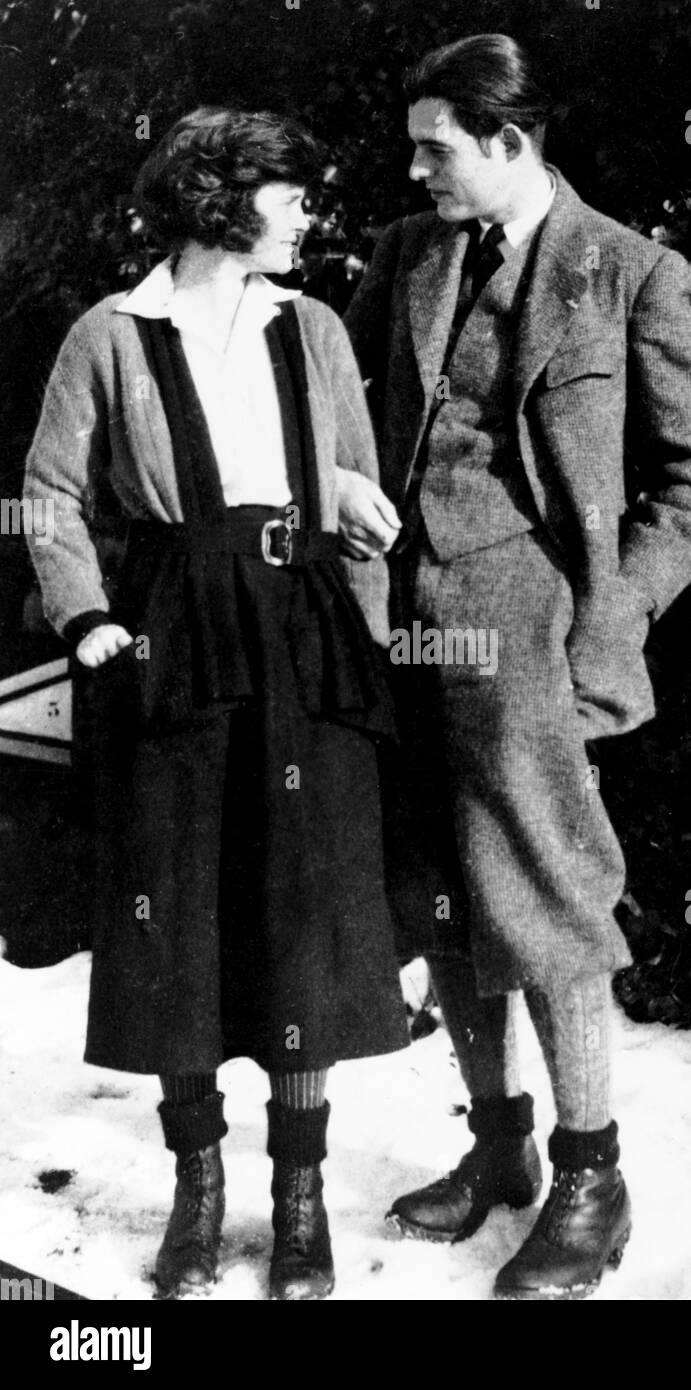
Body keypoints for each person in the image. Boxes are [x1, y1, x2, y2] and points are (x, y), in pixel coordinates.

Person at [343, 34, 691, 1299]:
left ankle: (592, 1175)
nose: (414, 169)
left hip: (528, 631)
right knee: (439, 895)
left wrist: (606, 610)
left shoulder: (627, 272)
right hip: (393, 622)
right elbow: (343, 406)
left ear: (509, 142)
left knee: (546, 897)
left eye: (435, 147)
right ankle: (501, 1148)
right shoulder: (407, 257)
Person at [23, 107, 408, 1301]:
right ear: (221, 202)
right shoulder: (111, 334)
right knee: (173, 915)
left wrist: (370, 629)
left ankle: (299, 1204)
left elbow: (353, 484)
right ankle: (199, 1192)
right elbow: (48, 494)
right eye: (291, 194)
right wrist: (90, 622)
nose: (307, 215)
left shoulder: (317, 329)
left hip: (301, 635)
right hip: (167, 636)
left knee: (300, 915)